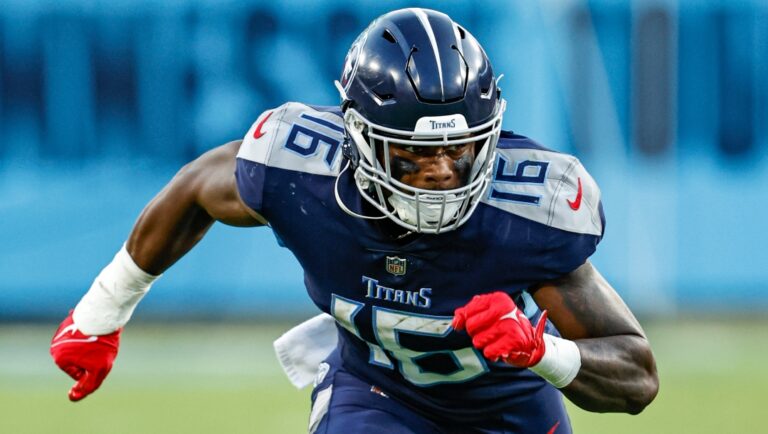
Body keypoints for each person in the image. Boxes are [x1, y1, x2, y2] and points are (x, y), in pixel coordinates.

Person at [50, 8, 658, 433]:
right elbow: (194, 191)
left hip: (507, 405)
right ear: (362, 141)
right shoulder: (300, 174)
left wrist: (541, 350)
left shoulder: (523, 212)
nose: (444, 171)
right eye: (416, 153)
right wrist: (102, 311)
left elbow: (637, 375)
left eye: (461, 149)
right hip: (378, 396)